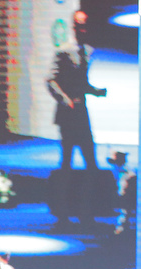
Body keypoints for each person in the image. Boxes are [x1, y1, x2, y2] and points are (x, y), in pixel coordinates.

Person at [47, 10, 107, 172]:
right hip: (68, 111)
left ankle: (92, 185)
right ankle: (65, 186)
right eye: (80, 26)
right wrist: (64, 99)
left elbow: (81, 83)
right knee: (67, 156)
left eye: (85, 26)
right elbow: (51, 80)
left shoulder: (87, 50)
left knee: (89, 153)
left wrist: (95, 91)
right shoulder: (64, 51)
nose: (83, 29)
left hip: (80, 110)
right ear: (73, 27)